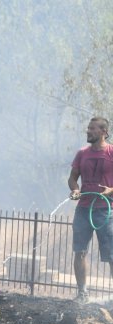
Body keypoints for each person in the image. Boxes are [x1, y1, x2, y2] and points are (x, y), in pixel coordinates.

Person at [67, 117, 113, 302]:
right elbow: (72, 178)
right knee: (80, 251)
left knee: (111, 255)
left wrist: (111, 190)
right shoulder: (82, 153)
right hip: (83, 209)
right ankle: (82, 293)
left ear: (103, 132)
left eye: (92, 128)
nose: (88, 131)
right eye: (88, 128)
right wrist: (75, 190)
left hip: (106, 211)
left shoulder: (111, 152)